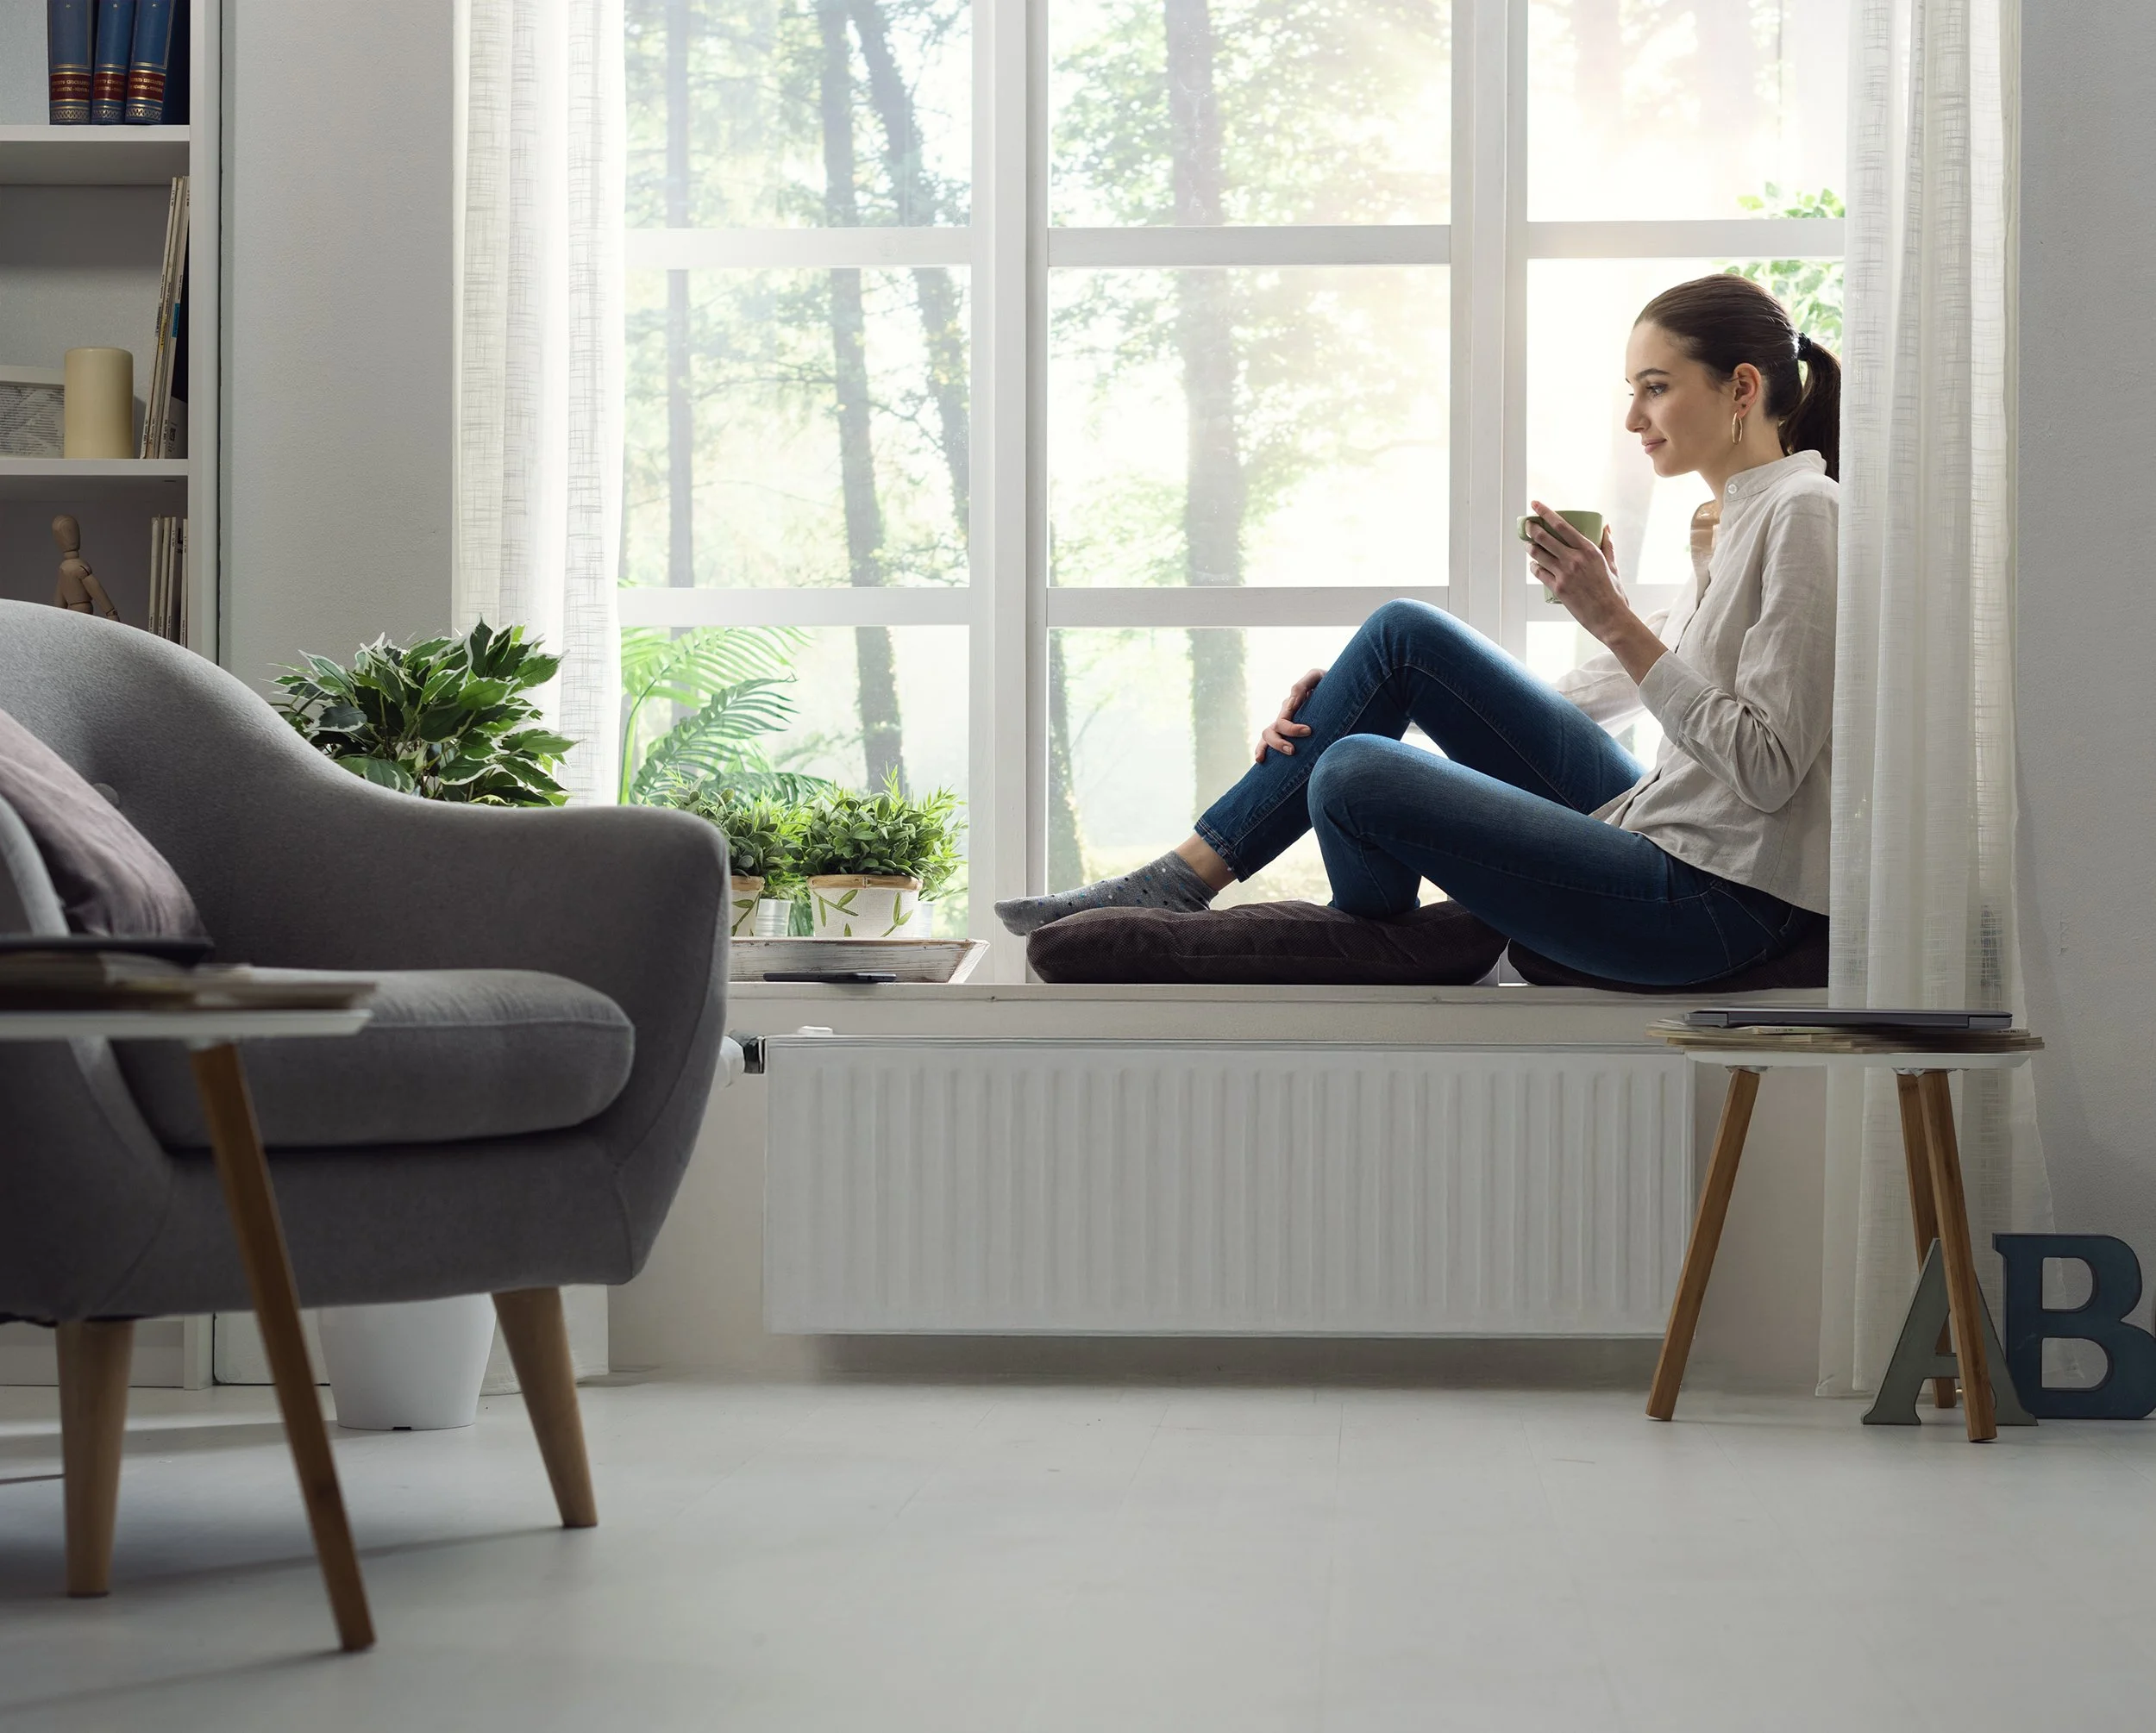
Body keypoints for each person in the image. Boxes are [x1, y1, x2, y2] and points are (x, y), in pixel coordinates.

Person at [995, 274, 1841, 987]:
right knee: (1400, 640)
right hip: (1657, 829)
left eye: (1654, 387)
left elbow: (1767, 768)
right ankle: (1182, 876)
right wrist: (1353, 702)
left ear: (1741, 388)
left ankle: (1378, 929)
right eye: (1632, 392)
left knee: (1355, 771)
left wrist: (1614, 620)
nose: (1632, 418)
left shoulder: (1804, 512)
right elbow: (1608, 694)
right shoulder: (1725, 522)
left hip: (1712, 900)